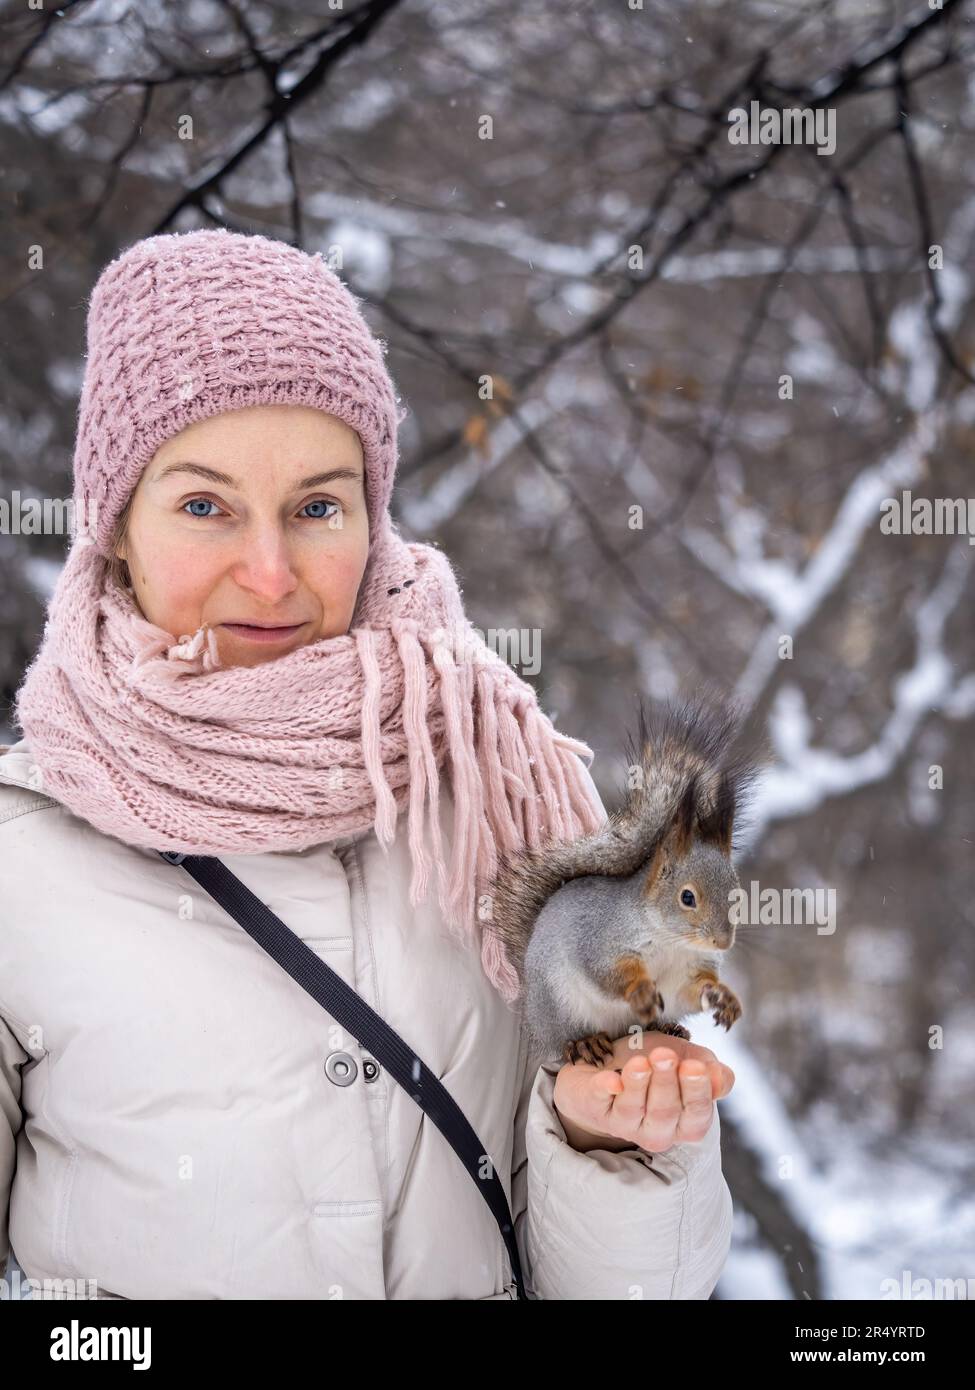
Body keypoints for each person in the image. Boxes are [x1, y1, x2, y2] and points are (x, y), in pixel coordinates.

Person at [0, 228, 734, 1301]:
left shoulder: (498, 790)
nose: (269, 570)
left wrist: (612, 1145)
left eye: (317, 508)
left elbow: (635, 1290)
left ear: (373, 519)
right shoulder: (20, 856)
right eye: (205, 505)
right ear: (114, 525)